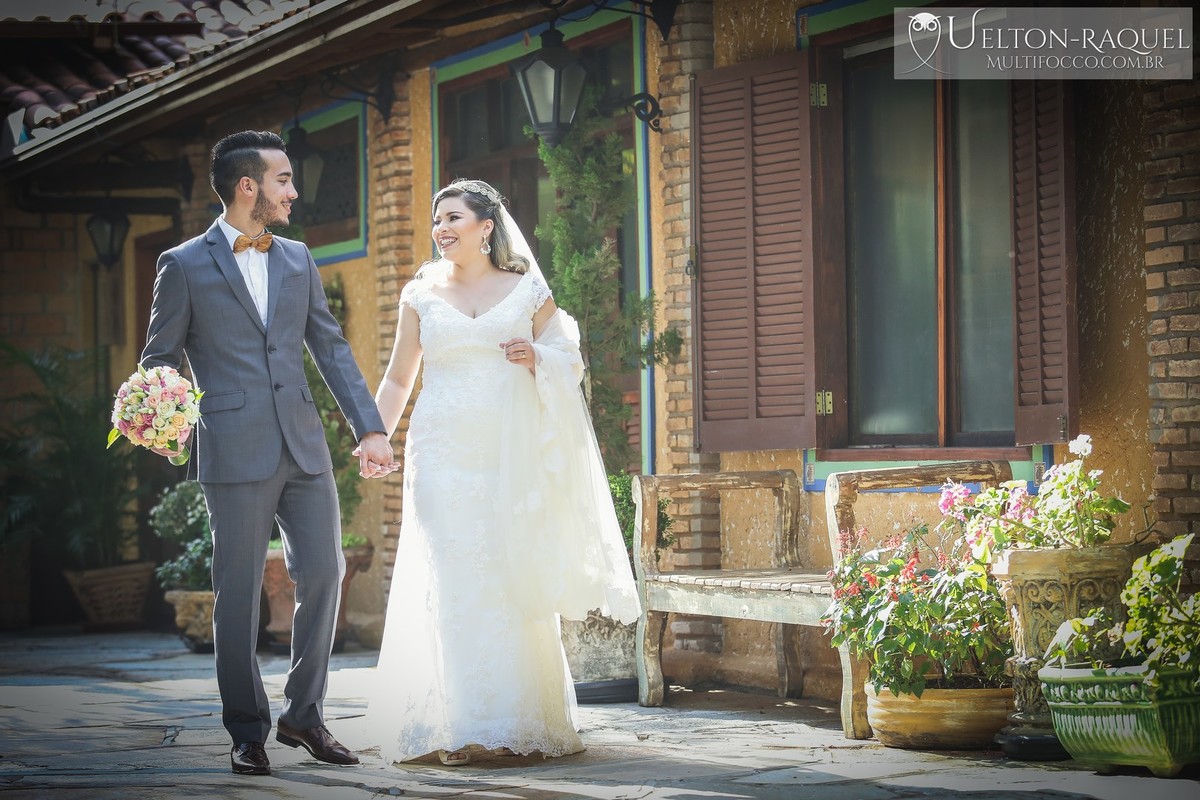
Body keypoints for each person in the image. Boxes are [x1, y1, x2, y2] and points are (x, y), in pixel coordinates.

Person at [141, 130, 395, 777]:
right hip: (232, 446)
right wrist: (165, 421)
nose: (293, 190)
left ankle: (304, 716)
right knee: (237, 594)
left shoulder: (298, 258)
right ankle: (247, 729)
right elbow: (159, 361)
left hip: (303, 444)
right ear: (248, 186)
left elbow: (330, 348)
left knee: (326, 572)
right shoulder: (184, 264)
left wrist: (370, 427)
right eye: (283, 179)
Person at [361, 179, 639, 766]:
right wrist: (374, 435)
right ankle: (453, 723)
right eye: (437, 220)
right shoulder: (420, 294)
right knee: (453, 577)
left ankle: (511, 720)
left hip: (507, 457)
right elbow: (396, 379)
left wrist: (538, 357)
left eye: (453, 218)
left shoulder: (526, 289)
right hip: (439, 455)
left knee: (506, 574)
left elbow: (571, 358)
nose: (441, 229)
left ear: (487, 226)